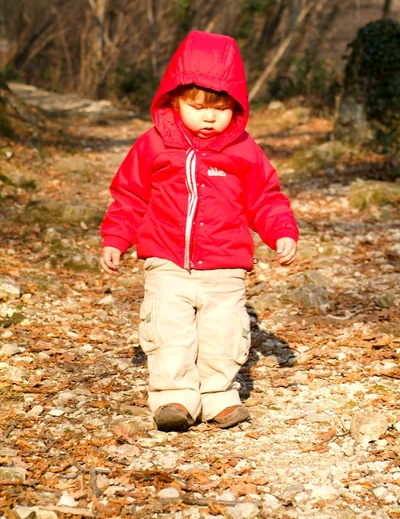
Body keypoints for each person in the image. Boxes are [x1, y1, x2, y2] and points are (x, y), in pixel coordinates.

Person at [100, 30, 298, 432]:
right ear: (175, 99)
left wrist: (281, 233)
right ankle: (174, 396)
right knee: (169, 330)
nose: (209, 117)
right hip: (166, 261)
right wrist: (116, 239)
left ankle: (219, 395)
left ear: (236, 107)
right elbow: (130, 197)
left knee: (222, 334)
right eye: (198, 106)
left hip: (225, 266)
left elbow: (265, 197)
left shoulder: (244, 150)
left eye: (221, 108)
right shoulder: (154, 145)